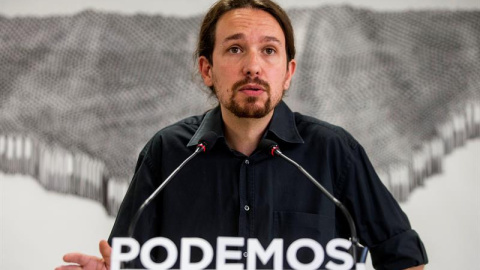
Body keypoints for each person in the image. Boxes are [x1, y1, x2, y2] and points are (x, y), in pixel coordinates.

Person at [56, 0, 428, 269]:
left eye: (269, 50)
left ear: (288, 72)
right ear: (207, 68)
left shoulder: (334, 152)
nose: (253, 66)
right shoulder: (167, 154)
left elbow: (403, 259)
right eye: (235, 49)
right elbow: (128, 262)